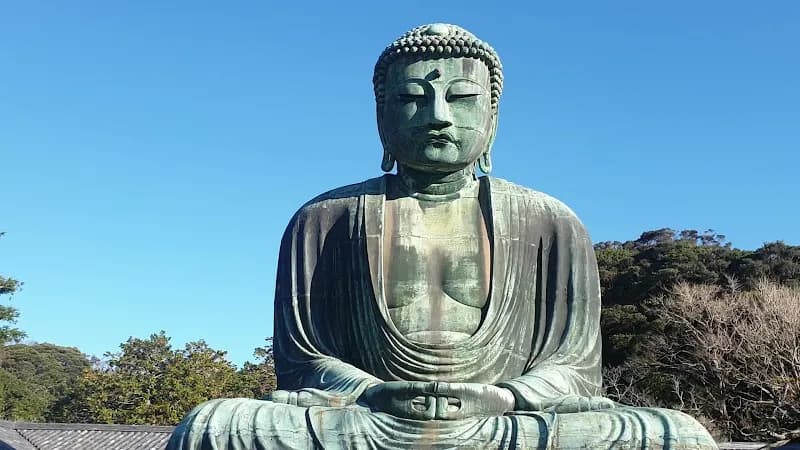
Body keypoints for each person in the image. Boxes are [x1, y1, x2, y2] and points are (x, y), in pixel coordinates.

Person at [167, 23, 718, 449]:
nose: (437, 116)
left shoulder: (550, 221)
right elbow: (304, 361)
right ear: (381, 116)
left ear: (493, 115)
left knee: (679, 435)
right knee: (214, 425)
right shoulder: (326, 217)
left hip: (505, 424)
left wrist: (504, 395)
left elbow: (574, 369)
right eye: (411, 100)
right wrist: (372, 391)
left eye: (460, 98)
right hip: (371, 423)